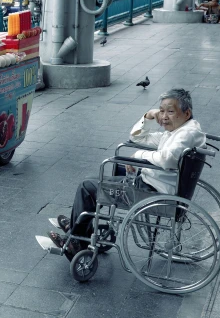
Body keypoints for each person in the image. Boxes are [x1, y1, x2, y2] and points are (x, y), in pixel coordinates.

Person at [47, 88, 206, 257]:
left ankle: (76, 241)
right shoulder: (180, 131)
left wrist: (138, 155)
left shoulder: (186, 134)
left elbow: (167, 159)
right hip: (154, 184)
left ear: (186, 113)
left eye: (170, 111)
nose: (164, 116)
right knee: (93, 182)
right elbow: (136, 137)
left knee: (87, 187)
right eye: (162, 110)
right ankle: (77, 227)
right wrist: (149, 115)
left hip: (152, 191)